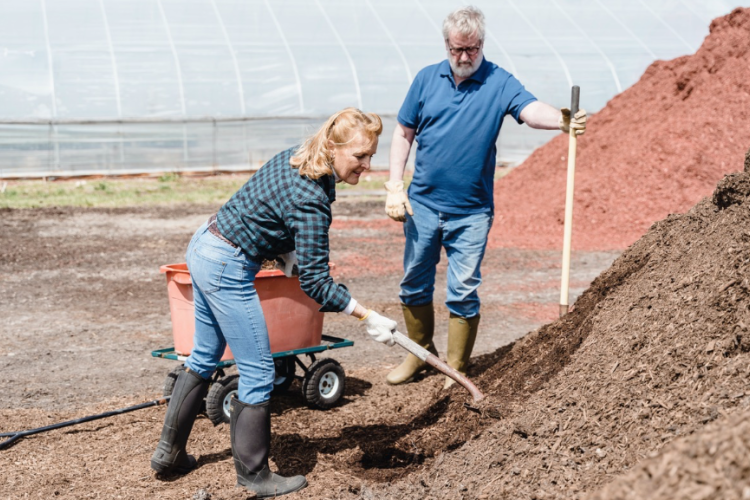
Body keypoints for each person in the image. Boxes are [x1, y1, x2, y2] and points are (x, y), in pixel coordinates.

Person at [150, 108, 398, 498]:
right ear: (333, 147)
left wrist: (286, 254)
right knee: (259, 371)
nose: (368, 165)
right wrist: (366, 315)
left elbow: (265, 210)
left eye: (371, 155)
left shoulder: (297, 156)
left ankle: (168, 454)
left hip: (205, 243)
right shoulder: (312, 199)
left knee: (203, 356)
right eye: (360, 156)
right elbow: (316, 283)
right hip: (227, 265)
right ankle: (253, 475)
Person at [384, 6, 587, 389]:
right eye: (456, 49)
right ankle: (420, 352)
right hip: (423, 205)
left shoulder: (499, 81)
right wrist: (395, 184)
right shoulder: (426, 80)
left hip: (472, 212)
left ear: (482, 44)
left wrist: (560, 119)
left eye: (472, 49)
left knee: (462, 290)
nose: (463, 57)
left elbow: (530, 110)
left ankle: (457, 366)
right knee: (413, 282)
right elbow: (403, 133)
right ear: (446, 44)